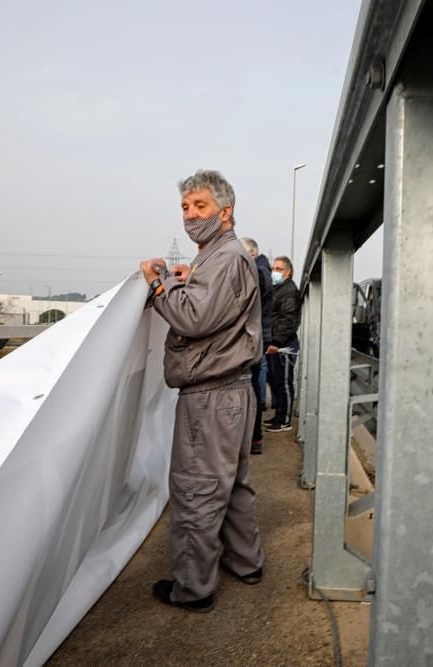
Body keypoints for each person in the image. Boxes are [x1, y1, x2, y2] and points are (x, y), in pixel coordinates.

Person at [139, 169, 265, 613]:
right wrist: (184, 277)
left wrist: (158, 283)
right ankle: (246, 563)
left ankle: (193, 588)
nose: (190, 216)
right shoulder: (222, 255)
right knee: (232, 484)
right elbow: (209, 301)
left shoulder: (226, 257)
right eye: (186, 208)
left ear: (225, 212)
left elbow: (193, 318)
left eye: (200, 207)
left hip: (211, 394)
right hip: (234, 391)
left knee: (197, 487)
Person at [239, 237, 273, 455]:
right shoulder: (264, 270)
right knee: (253, 385)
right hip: (258, 335)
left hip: (252, 336)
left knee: (249, 387)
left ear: (251, 254)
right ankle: (253, 438)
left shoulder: (257, 272)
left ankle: (252, 438)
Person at [265, 255, 301, 433]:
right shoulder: (279, 288)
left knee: (284, 382)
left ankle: (285, 420)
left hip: (284, 345)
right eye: (274, 268)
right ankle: (279, 415)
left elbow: (288, 319)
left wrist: (276, 341)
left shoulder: (288, 291)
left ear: (288, 272)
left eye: (279, 269)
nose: (275, 272)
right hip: (276, 343)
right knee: (276, 380)